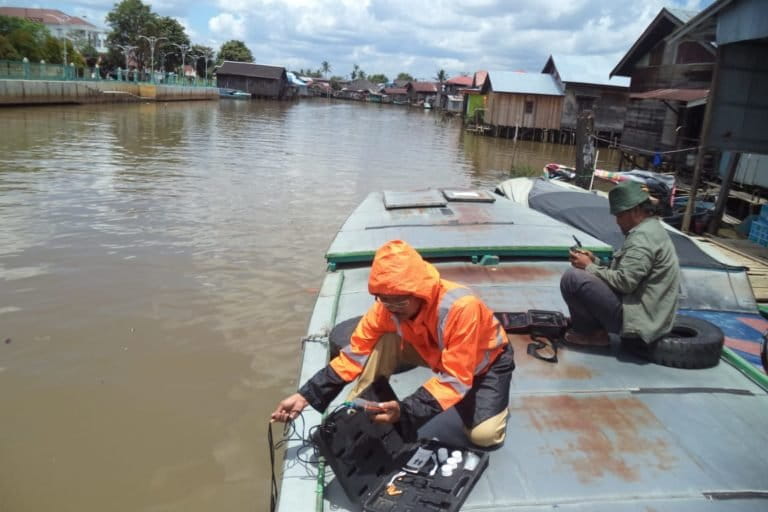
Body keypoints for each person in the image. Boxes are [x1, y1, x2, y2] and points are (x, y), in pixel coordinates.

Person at [271, 239, 514, 448]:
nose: (392, 308)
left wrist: (405, 410)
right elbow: (354, 354)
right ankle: (358, 408)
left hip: (483, 365)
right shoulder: (385, 308)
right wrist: (306, 396)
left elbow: (456, 379)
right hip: (434, 353)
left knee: (484, 436)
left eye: (399, 301)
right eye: (384, 299)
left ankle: (495, 406)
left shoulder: (461, 307)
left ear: (420, 292)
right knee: (382, 337)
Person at [560, 180, 680, 346]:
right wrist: (595, 260)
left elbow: (625, 283)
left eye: (619, 215)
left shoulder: (642, 238)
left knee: (573, 278)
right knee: (585, 273)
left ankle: (592, 334)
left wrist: (588, 266)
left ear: (635, 210)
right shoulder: (650, 228)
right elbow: (626, 271)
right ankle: (592, 327)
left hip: (639, 323)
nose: (617, 221)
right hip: (648, 315)